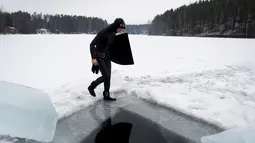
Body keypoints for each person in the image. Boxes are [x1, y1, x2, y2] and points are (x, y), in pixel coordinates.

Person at [88, 18, 126, 101]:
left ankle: (106, 95)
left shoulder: (114, 33)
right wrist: (94, 59)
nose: (120, 30)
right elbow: (92, 45)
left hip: (107, 57)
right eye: (120, 28)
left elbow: (110, 46)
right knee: (106, 76)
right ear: (116, 26)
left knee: (108, 77)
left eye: (122, 29)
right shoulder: (104, 32)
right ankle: (92, 86)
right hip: (99, 57)